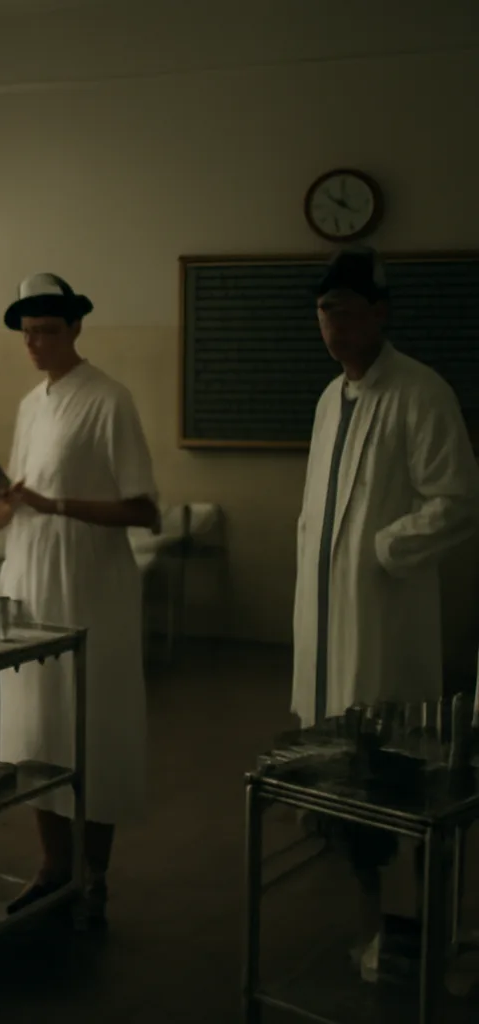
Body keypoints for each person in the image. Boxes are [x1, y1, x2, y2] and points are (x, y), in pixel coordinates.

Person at [292, 246, 479, 979]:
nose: (334, 324)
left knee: (392, 782)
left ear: (380, 312)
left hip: (383, 621)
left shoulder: (419, 393)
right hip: (326, 624)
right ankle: (371, 928)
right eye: (324, 310)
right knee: (340, 782)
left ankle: (407, 935)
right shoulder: (328, 399)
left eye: (347, 308)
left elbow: (459, 503)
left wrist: (383, 549)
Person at [0, 273, 160, 926]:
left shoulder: (108, 400)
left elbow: (143, 510)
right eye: (28, 334)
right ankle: (52, 868)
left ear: (76, 329)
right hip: (31, 581)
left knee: (93, 727)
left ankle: (94, 874)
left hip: (91, 589)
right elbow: (21, 490)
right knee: (37, 727)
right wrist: (3, 502)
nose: (36, 344)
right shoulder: (32, 405)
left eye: (49, 332)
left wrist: (55, 504)